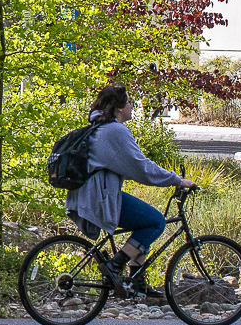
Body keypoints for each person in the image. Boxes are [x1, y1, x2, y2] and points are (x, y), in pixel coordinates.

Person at [65, 83, 196, 295]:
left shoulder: (100, 127)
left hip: (93, 195)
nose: (132, 105)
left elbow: (132, 166)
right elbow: (141, 167)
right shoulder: (115, 131)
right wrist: (177, 180)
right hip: (99, 197)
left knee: (143, 223)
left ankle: (137, 282)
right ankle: (115, 265)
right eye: (129, 101)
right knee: (155, 222)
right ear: (118, 107)